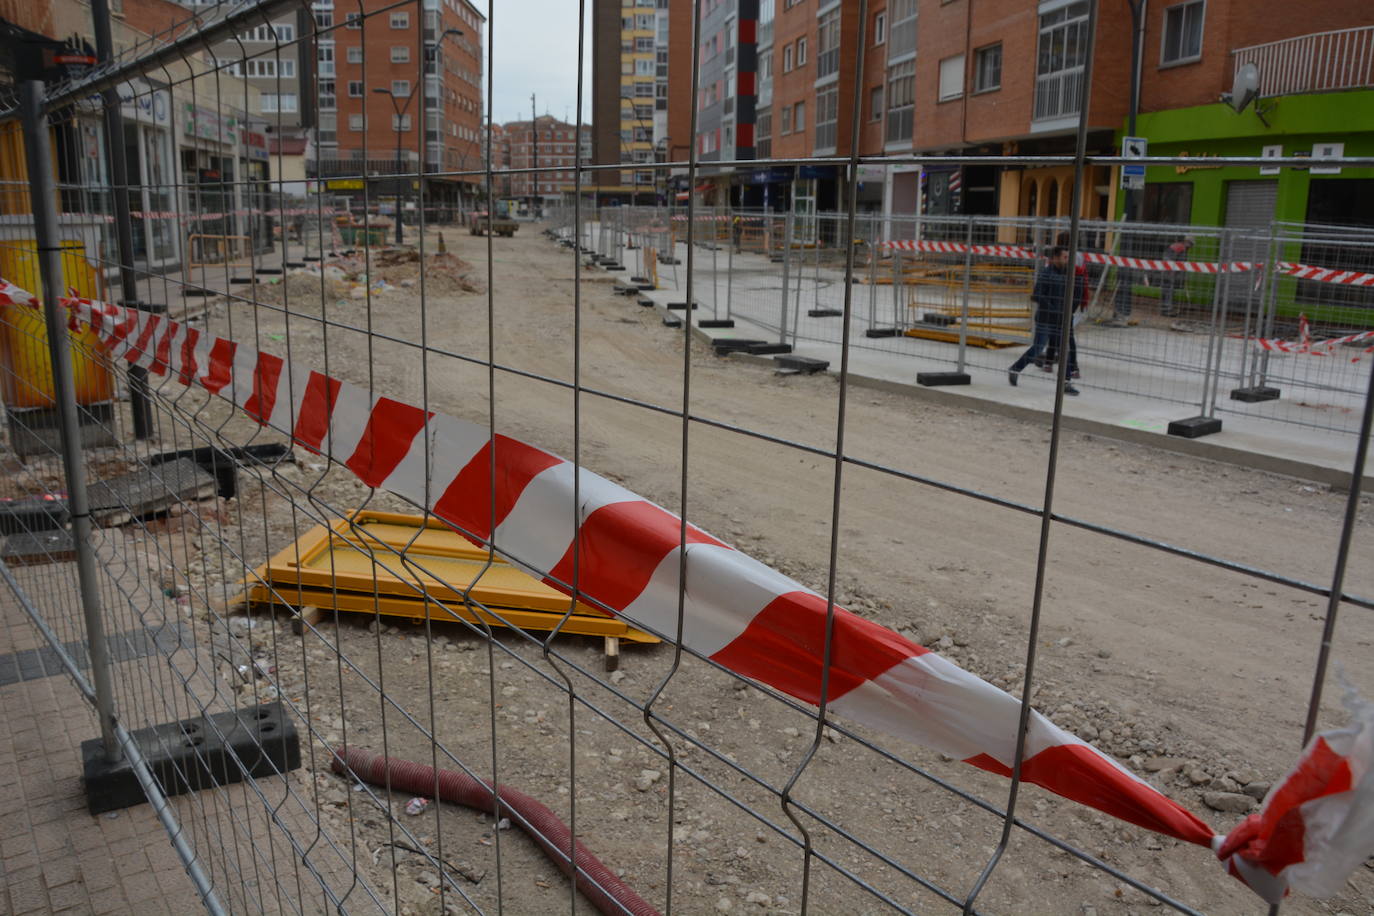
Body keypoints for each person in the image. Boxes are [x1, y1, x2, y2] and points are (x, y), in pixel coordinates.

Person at [1009, 246, 1080, 395]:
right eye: (1064, 257)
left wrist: (1069, 310)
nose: (1067, 260)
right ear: (1054, 258)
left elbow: (1073, 295)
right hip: (1045, 319)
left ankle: (1066, 383)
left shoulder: (1068, 274)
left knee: (1063, 350)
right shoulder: (1046, 274)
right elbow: (1036, 295)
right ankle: (1015, 369)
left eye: (1068, 257)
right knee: (1038, 348)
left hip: (1061, 320)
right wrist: (1053, 309)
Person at [1159, 235, 1194, 318]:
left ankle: (1164, 308)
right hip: (1169, 271)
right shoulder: (1182, 248)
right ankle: (1167, 309)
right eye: (1191, 245)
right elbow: (1180, 263)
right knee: (1169, 290)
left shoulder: (1176, 245)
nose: (1191, 248)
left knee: (1165, 289)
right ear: (1188, 243)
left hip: (1166, 269)